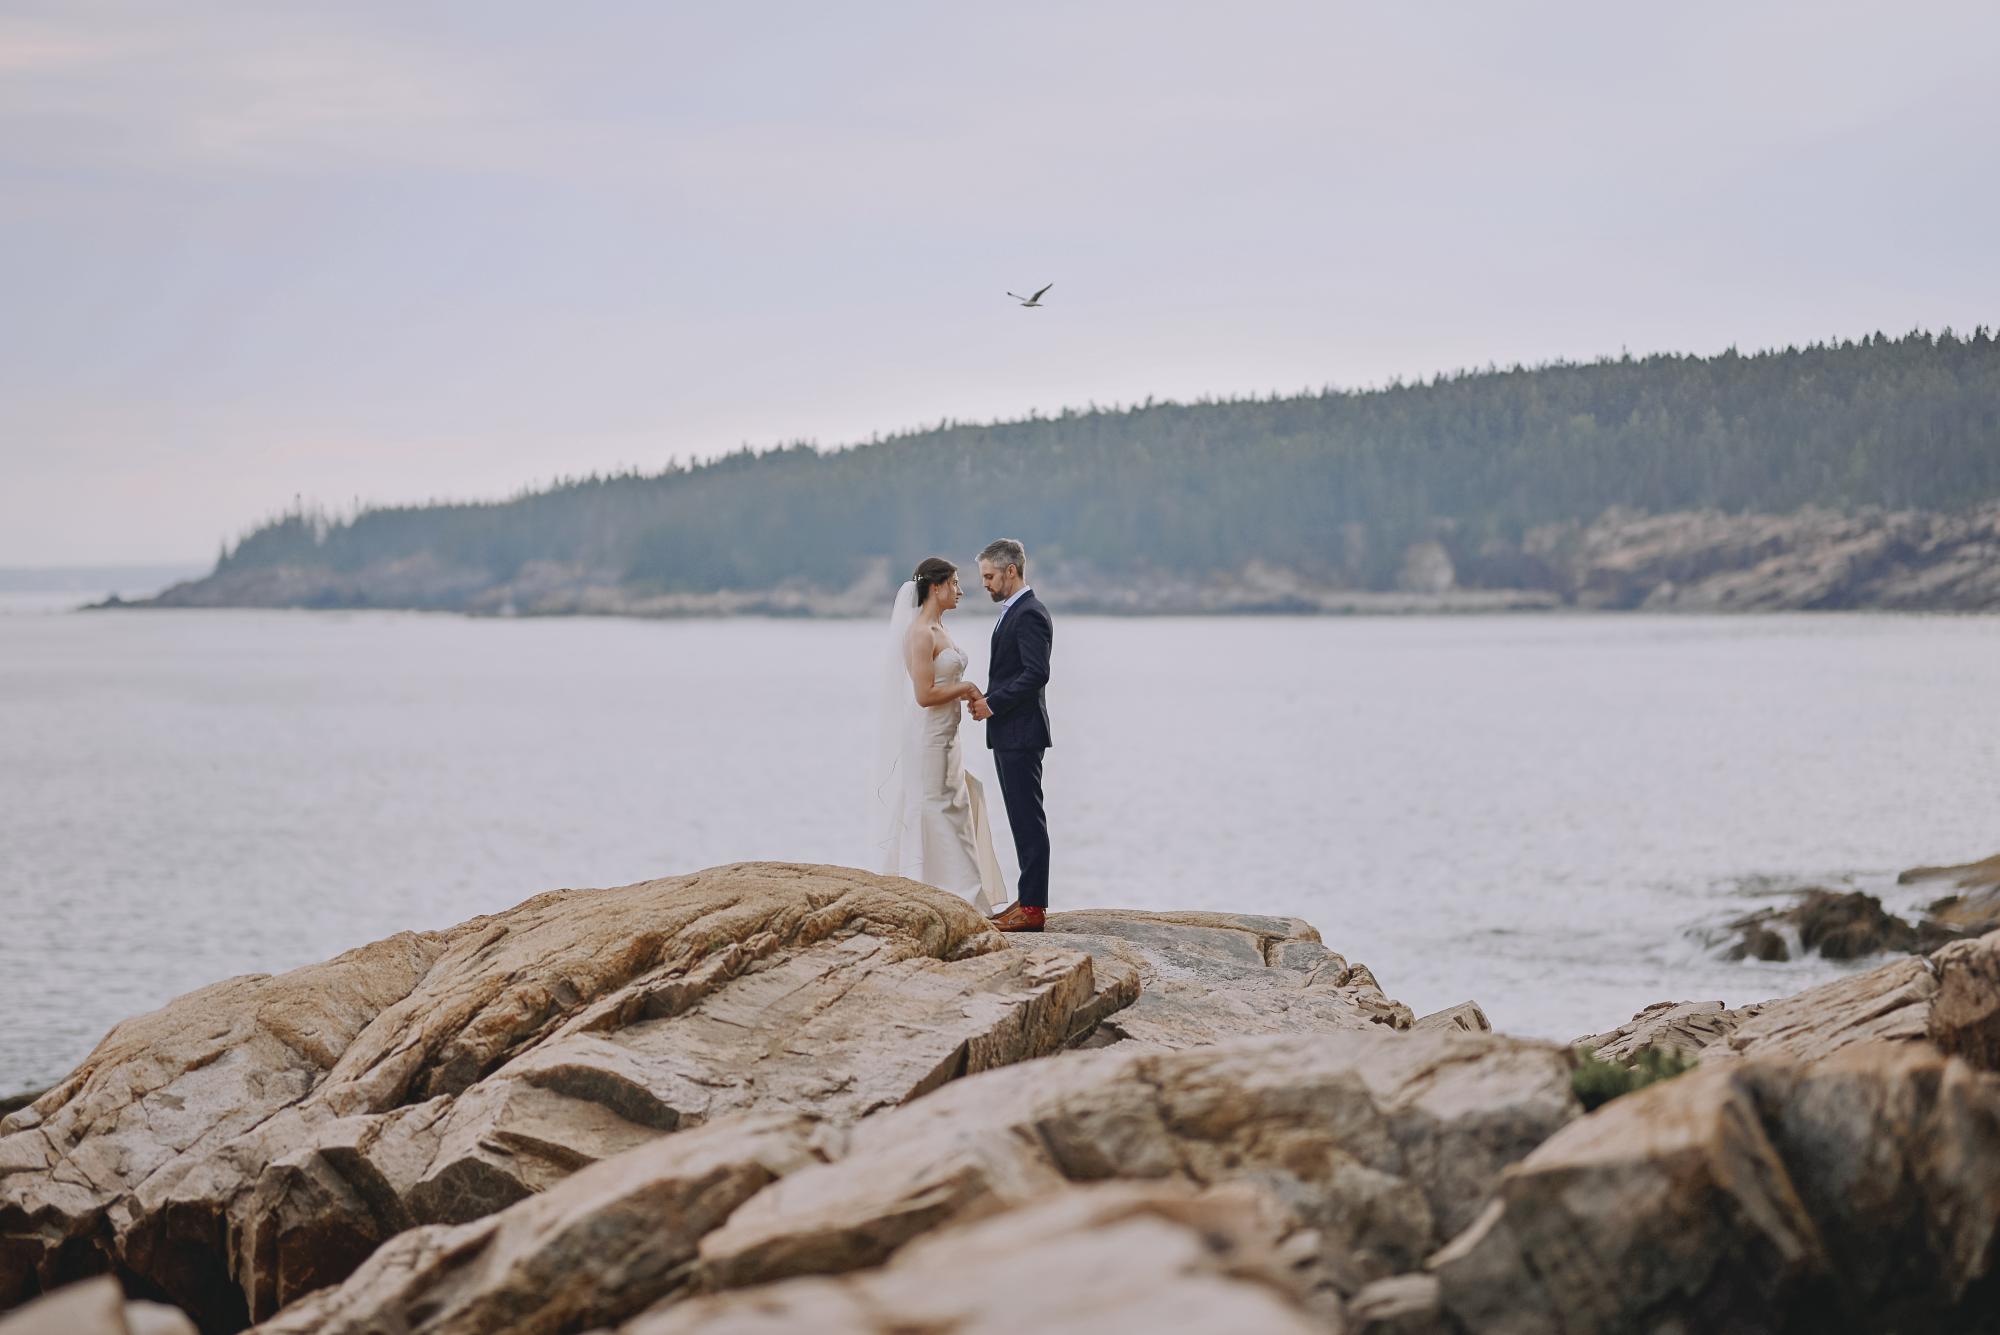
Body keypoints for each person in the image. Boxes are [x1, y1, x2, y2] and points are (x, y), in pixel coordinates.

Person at [869, 557, 1007, 913]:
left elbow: (943, 682)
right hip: (927, 736)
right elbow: (924, 694)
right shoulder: (920, 633)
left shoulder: (941, 628)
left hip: (948, 735)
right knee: (936, 805)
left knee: (955, 804)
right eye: (954, 584)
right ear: (935, 587)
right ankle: (943, 889)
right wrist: (968, 688)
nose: (960, 591)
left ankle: (959, 890)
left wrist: (965, 692)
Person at [976, 538, 1053, 932]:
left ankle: (1034, 908)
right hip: (1009, 732)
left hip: (1022, 732)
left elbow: (1036, 673)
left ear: (1011, 571)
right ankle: (1027, 897)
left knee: (1028, 819)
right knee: (1020, 818)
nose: (985, 584)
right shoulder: (1014, 611)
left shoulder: (1030, 613)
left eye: (990, 576)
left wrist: (993, 703)